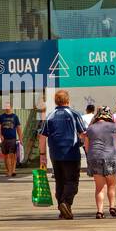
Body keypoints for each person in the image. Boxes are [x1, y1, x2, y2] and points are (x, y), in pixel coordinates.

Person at [37, 90, 88, 220]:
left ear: (56, 101)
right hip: (71, 153)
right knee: (72, 181)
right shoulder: (74, 114)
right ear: (68, 100)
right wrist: (86, 148)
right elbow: (83, 133)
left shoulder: (50, 115)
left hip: (55, 154)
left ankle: (63, 209)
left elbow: (42, 137)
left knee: (60, 181)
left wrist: (42, 155)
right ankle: (65, 202)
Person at [85, 106, 116, 218]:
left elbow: (87, 147)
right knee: (111, 185)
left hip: (95, 158)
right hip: (111, 157)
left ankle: (100, 211)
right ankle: (112, 207)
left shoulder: (90, 128)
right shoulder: (114, 127)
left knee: (99, 187)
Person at [0, 103, 21, 178]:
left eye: (8, 106)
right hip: (4, 139)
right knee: (6, 156)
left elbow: (18, 128)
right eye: (6, 106)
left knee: (13, 155)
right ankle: (8, 171)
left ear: (11, 107)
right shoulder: (1, 117)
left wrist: (20, 138)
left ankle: (13, 171)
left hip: (13, 138)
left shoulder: (15, 117)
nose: (7, 108)